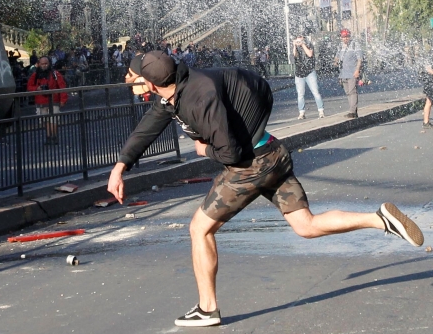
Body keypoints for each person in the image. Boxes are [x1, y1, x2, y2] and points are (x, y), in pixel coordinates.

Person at [106, 51, 424, 328]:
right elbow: (147, 128)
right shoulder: (173, 92)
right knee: (306, 225)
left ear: (151, 81)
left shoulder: (200, 96)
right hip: (272, 151)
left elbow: (229, 152)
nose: (127, 78)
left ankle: (207, 308)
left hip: (251, 165)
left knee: (199, 229)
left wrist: (204, 152)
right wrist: (121, 166)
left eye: (132, 75)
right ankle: (380, 219)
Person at [26, 56, 67, 145]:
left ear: (49, 64)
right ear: (39, 64)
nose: (44, 65)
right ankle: (49, 137)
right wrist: (37, 88)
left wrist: (63, 100)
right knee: (46, 121)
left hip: (53, 100)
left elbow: (62, 86)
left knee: (54, 120)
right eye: (42, 64)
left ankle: (54, 137)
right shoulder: (35, 75)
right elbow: (29, 87)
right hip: (41, 101)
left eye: (46, 63)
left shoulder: (55, 74)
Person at [293, 34, 324, 119]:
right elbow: (294, 55)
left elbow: (310, 54)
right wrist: (294, 46)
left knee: (315, 92)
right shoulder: (296, 46)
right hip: (299, 73)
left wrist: (303, 45)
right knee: (300, 94)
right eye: (298, 40)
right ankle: (301, 112)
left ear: (303, 39)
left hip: (310, 72)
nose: (299, 41)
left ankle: (321, 110)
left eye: (301, 39)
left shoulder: (309, 44)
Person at [334, 29, 363, 118]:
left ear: (349, 37)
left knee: (352, 91)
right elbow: (337, 57)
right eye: (343, 37)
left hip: (352, 73)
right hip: (343, 73)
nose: (345, 39)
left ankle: (352, 111)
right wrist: (336, 61)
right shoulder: (340, 46)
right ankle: (354, 111)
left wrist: (357, 70)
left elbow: (360, 59)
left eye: (347, 37)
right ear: (341, 38)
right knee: (348, 92)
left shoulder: (355, 45)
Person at [419, 53, 433, 131]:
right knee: (429, 102)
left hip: (429, 82)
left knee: (429, 102)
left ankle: (426, 122)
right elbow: (428, 68)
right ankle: (426, 122)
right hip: (431, 83)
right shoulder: (430, 56)